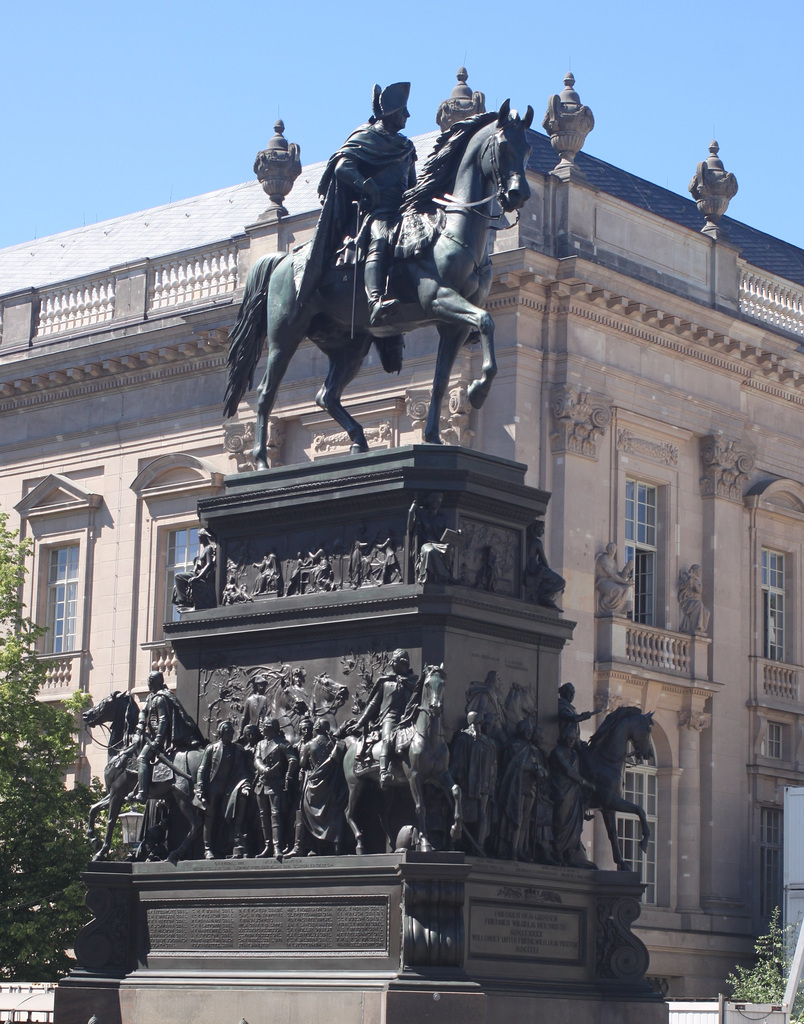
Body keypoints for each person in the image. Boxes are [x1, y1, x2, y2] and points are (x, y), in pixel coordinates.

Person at [299, 82, 417, 326]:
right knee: (381, 238)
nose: (407, 115)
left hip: (402, 210)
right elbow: (343, 167)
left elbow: (412, 185)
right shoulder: (367, 136)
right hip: (376, 211)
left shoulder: (406, 146)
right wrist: (368, 185)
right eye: (403, 110)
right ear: (392, 112)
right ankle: (375, 302)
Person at [341, 649, 419, 788]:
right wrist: (360, 723)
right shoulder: (385, 682)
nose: (391, 663)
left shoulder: (413, 682)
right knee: (387, 739)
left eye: (394, 661)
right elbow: (372, 705)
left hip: (409, 720)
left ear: (403, 663)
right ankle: (384, 771)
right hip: (390, 719)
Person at [131, 670, 205, 803]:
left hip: (161, 739)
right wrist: (141, 723)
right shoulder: (150, 697)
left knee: (142, 758)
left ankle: (142, 793)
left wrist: (158, 740)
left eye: (150, 681)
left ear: (155, 682)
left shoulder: (160, 698)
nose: (148, 683)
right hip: (150, 735)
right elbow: (143, 712)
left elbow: (164, 720)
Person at [194, 720, 252, 859]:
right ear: (221, 733)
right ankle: (208, 849)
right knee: (210, 817)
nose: (230, 735)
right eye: (227, 732)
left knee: (226, 817)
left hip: (229, 788)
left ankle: (226, 846)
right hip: (213, 788)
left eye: (232, 732)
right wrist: (200, 788)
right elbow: (202, 769)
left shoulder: (236, 749)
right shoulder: (212, 748)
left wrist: (245, 784)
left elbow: (242, 770)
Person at [299, 719, 348, 855]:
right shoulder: (336, 744)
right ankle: (337, 845)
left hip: (315, 784)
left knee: (308, 811)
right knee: (334, 814)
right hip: (333, 784)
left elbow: (302, 764)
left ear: (316, 728)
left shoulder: (309, 745)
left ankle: (315, 847)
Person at [254, 718, 299, 859]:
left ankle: (277, 847)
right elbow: (256, 759)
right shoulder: (260, 744)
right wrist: (263, 768)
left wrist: (288, 776)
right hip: (262, 784)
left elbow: (293, 760)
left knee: (276, 815)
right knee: (263, 816)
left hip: (276, 784)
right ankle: (267, 846)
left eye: (265, 726)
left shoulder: (282, 744)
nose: (262, 729)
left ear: (272, 728)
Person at [523, 520, 566, 609]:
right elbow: (544, 560)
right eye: (542, 528)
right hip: (536, 569)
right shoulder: (537, 542)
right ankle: (546, 598)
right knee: (561, 582)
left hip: (531, 568)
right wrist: (548, 571)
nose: (543, 531)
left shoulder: (525, 540)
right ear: (536, 527)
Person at [172, 528, 216, 611]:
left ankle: (183, 601)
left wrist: (198, 577)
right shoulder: (204, 550)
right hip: (196, 573)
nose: (199, 539)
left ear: (203, 537)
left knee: (178, 576)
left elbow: (209, 565)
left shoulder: (208, 549)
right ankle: (182, 600)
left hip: (199, 575)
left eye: (199, 536)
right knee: (176, 585)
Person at [594, 542, 634, 616]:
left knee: (629, 588)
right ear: (607, 549)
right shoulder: (604, 558)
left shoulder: (614, 562)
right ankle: (605, 604)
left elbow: (618, 576)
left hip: (610, 581)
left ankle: (621, 609)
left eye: (613, 548)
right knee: (618, 590)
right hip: (602, 582)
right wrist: (625, 582)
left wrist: (627, 569)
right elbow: (612, 574)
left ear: (615, 550)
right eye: (610, 547)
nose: (612, 549)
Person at [678, 564, 710, 633]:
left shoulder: (697, 582)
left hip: (694, 601)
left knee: (707, 612)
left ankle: (699, 627)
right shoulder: (686, 578)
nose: (700, 572)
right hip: (687, 600)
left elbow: (699, 591)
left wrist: (693, 582)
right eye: (699, 570)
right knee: (699, 604)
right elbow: (681, 587)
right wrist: (689, 580)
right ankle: (697, 626)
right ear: (695, 571)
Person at [238, 673, 269, 740]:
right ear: (256, 686)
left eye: (264, 685)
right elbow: (244, 718)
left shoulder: (265, 699)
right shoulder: (250, 700)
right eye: (261, 685)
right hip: (254, 732)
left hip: (264, 731)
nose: (263, 687)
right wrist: (241, 733)